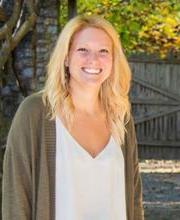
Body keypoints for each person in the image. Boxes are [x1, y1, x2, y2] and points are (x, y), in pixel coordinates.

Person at [2, 15, 144, 220]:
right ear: (66, 57)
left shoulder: (120, 117)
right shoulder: (35, 113)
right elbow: (16, 196)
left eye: (103, 51)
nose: (93, 60)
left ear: (113, 60)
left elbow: (134, 198)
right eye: (82, 50)